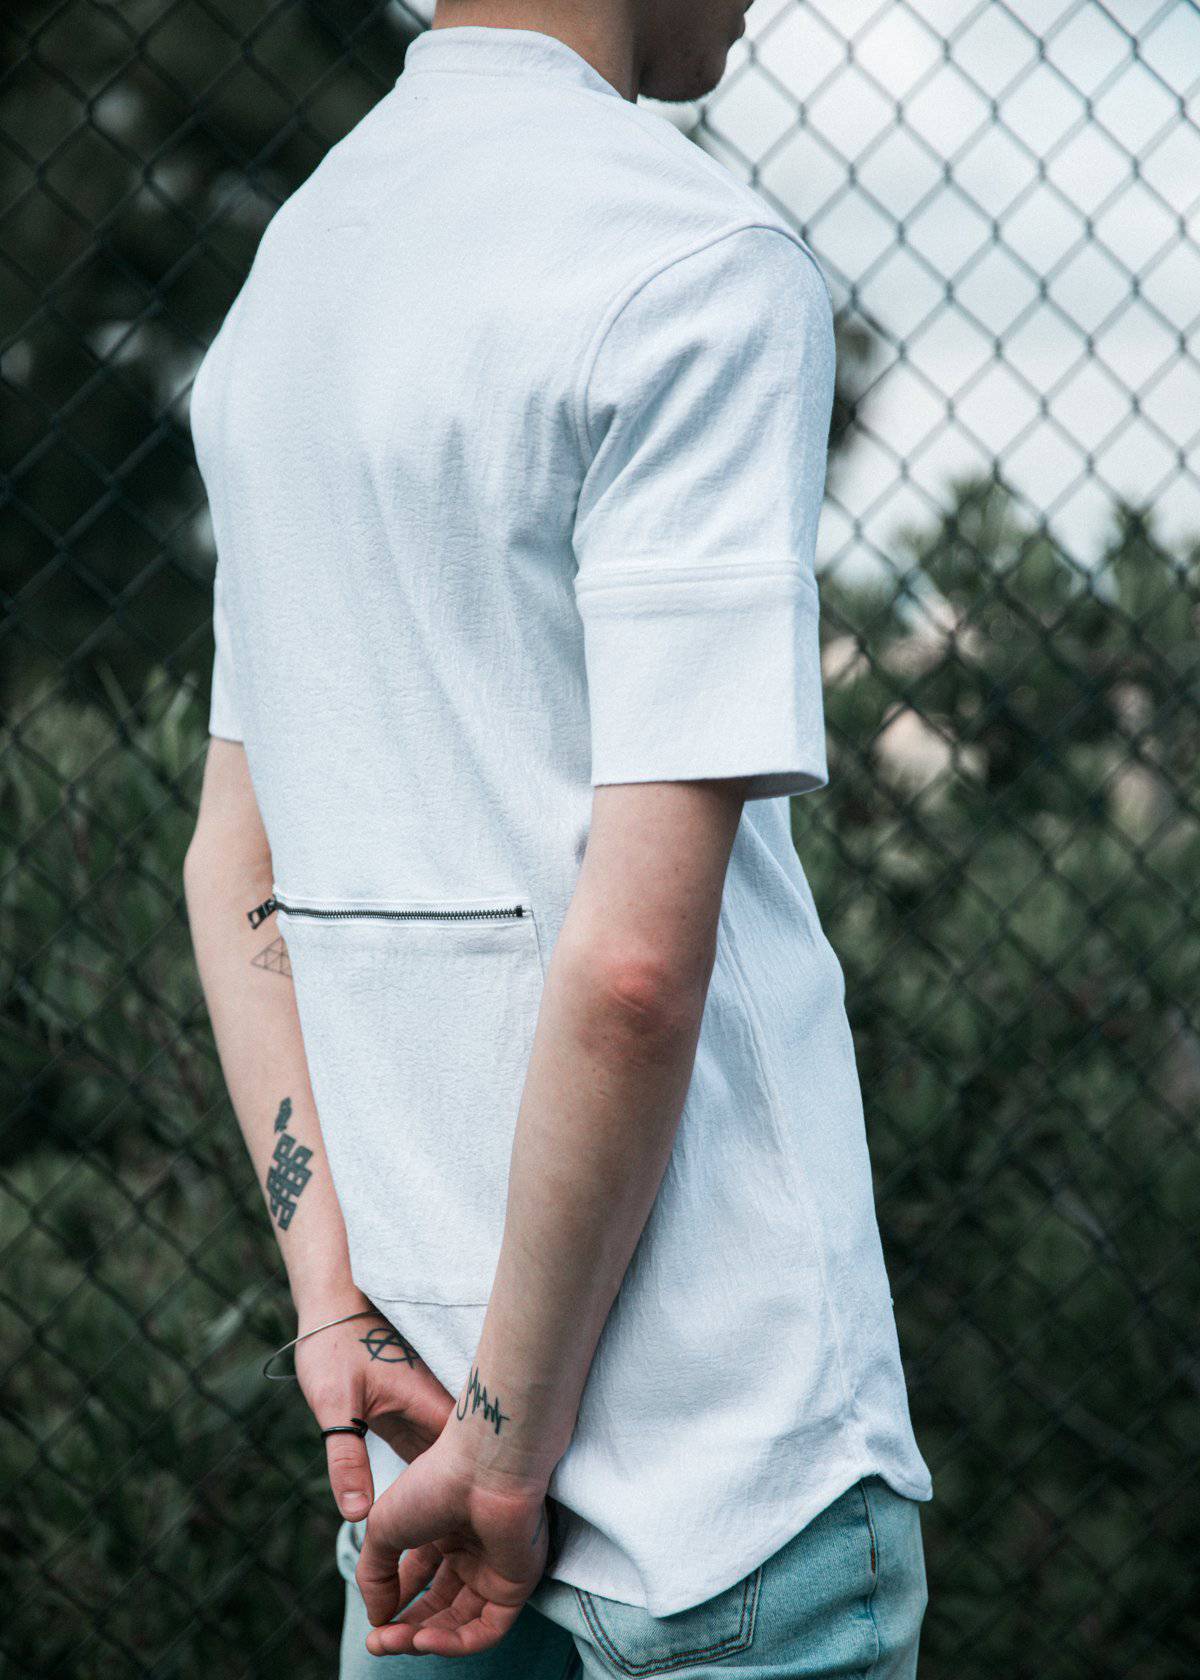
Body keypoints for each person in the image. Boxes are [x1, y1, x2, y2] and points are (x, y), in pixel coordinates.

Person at [182, 1, 933, 1673]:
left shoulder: (293, 281)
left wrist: (333, 1303)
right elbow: (638, 965)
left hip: (411, 1475)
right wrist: (508, 1457)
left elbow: (234, 864)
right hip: (722, 1488)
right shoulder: (696, 266)